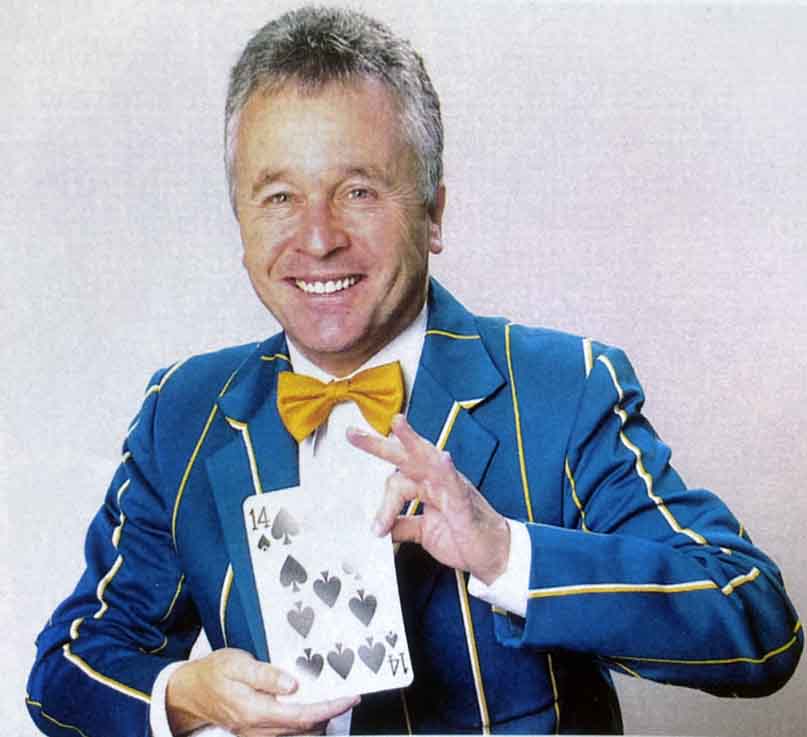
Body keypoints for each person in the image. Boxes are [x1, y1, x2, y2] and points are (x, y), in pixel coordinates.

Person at [27, 6, 802, 736]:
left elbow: (755, 621)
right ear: (240, 219)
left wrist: (505, 553)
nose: (318, 237)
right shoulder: (183, 412)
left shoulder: (564, 388)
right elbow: (67, 665)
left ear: (432, 213)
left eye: (358, 190)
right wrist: (184, 695)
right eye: (279, 196)